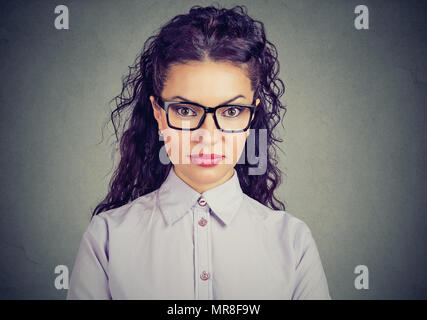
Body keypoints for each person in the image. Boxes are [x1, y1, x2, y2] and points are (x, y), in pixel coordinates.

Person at [67, 4, 331, 300]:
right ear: (158, 112)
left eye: (231, 110)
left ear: (251, 116)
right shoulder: (107, 237)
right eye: (184, 109)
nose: (208, 137)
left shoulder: (292, 242)